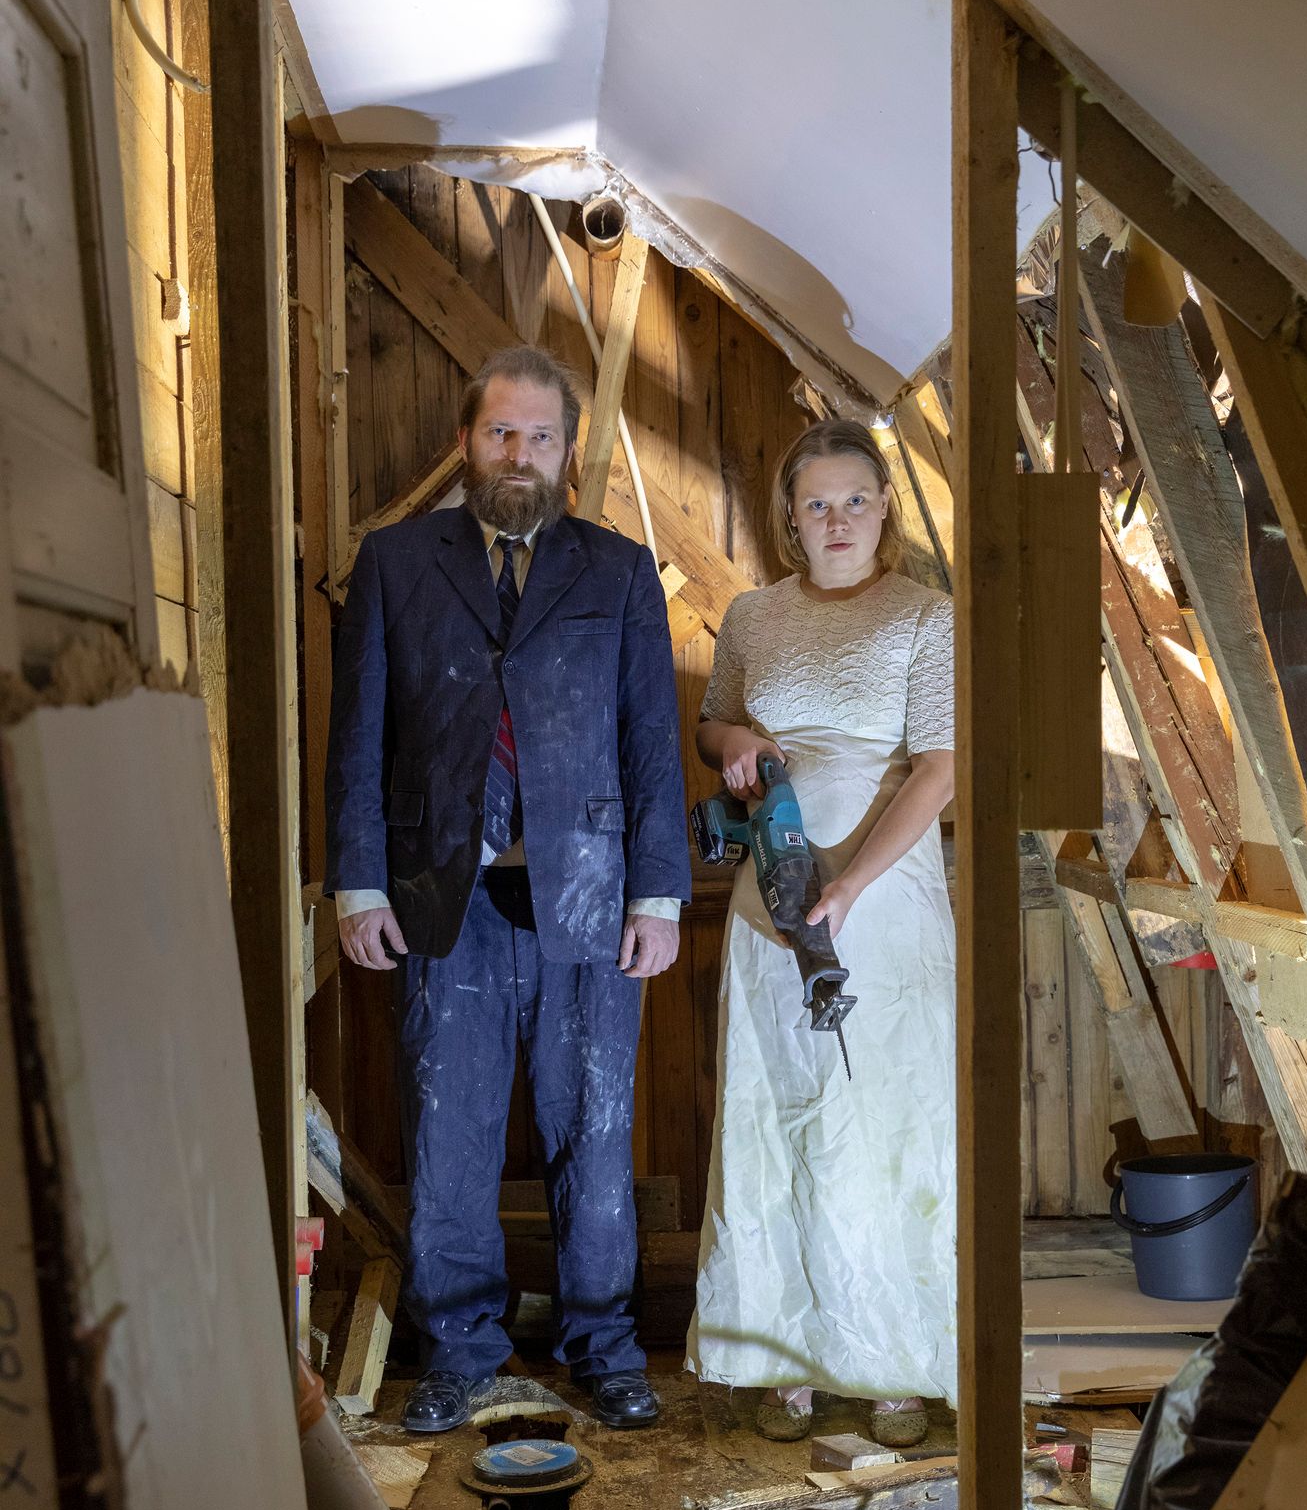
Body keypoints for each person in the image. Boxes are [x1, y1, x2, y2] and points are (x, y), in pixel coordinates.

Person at [326, 345, 690, 1435]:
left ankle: (606, 1348)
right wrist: (356, 885)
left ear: (567, 452)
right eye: (500, 434)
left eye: (539, 436)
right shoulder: (395, 564)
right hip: (444, 902)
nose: (518, 454)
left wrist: (660, 897)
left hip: (590, 900)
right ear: (465, 443)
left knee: (595, 1132)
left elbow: (650, 743)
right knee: (451, 1132)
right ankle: (461, 1352)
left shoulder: (618, 571)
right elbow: (359, 741)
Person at [686, 418, 957, 1446]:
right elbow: (712, 721)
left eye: (854, 500)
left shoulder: (925, 617)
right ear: (790, 519)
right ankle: (783, 1361)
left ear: (883, 506)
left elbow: (938, 767)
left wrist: (848, 890)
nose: (836, 519)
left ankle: (892, 1365)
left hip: (882, 904)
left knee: (880, 1119)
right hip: (772, 895)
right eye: (816, 505)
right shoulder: (754, 617)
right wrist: (739, 740)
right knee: (779, 1120)